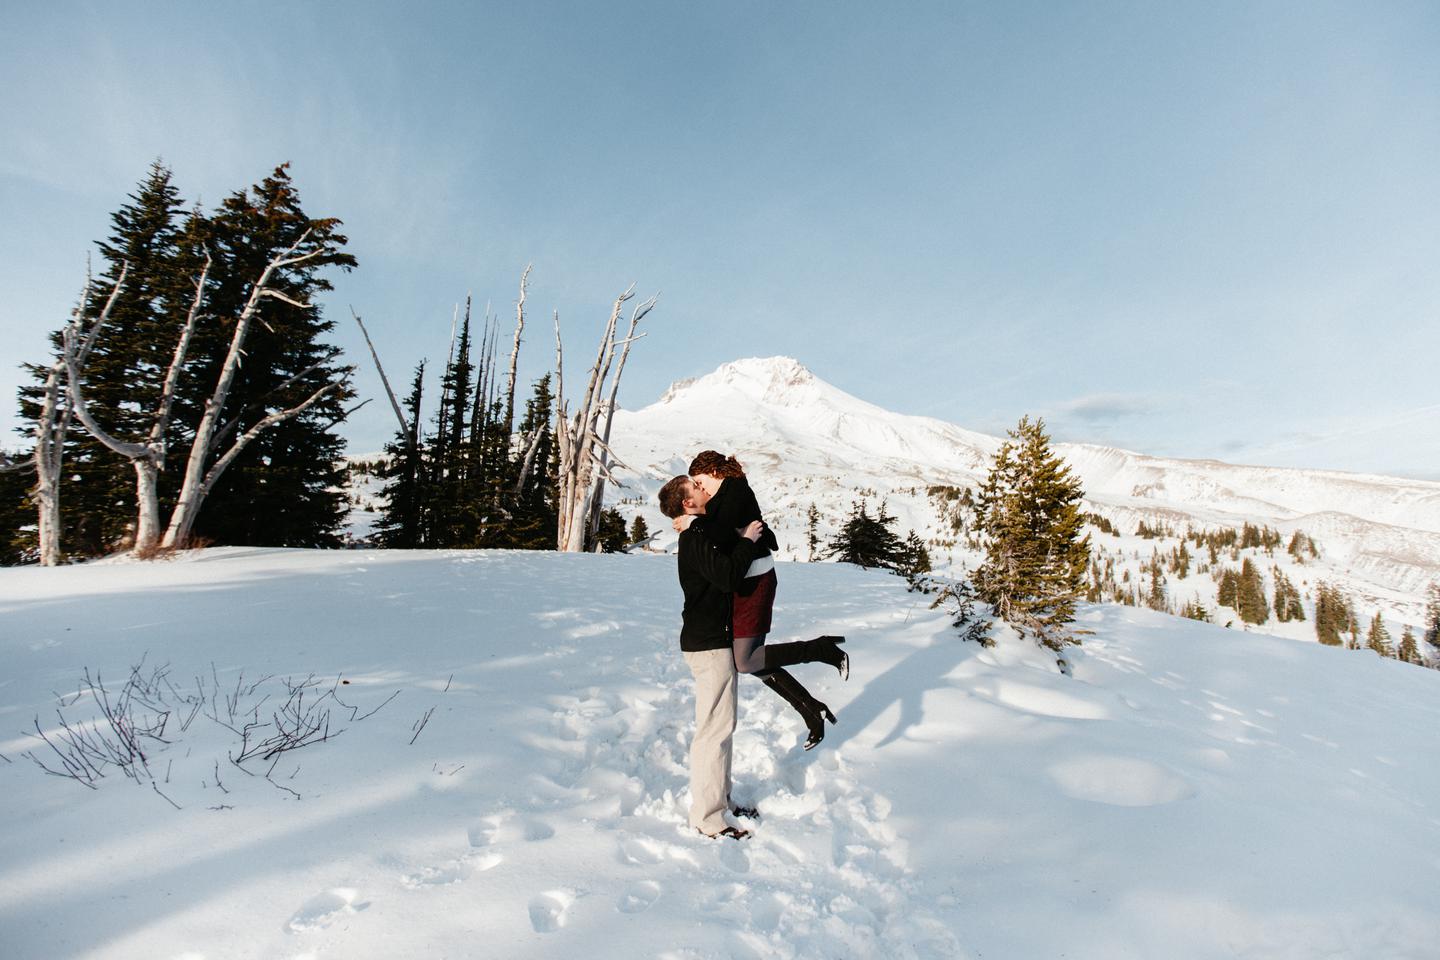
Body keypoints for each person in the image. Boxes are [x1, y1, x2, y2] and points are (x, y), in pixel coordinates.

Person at [683, 450, 848, 750]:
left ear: (714, 472)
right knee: (752, 659)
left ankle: (820, 650)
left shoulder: (734, 493)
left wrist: (691, 523)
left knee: (745, 660)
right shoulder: (726, 494)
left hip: (756, 583)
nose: (699, 487)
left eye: (700, 480)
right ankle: (812, 710)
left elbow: (719, 531)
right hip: (742, 585)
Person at [658, 474, 765, 840]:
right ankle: (708, 818)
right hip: (708, 645)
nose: (703, 488)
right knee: (713, 732)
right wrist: (748, 541)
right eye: (696, 487)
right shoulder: (693, 538)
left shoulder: (700, 531)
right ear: (687, 503)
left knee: (722, 727)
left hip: (714, 642)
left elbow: (720, 539)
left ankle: (722, 800)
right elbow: (728, 576)